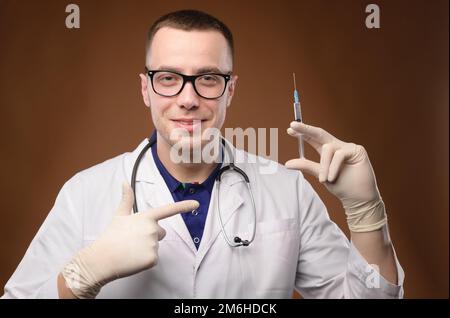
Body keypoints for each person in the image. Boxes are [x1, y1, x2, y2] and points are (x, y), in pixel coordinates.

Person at [2, 9, 404, 299]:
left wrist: (366, 213)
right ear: (146, 89)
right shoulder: (85, 194)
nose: (188, 99)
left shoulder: (287, 191)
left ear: (230, 90)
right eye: (169, 79)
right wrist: (78, 279)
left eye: (208, 79)